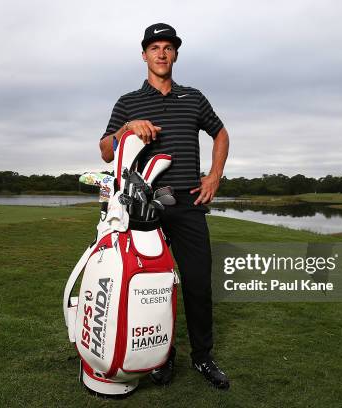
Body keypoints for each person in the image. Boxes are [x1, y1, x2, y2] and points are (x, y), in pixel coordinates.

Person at [99, 23, 230, 390]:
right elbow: (106, 149)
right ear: (144, 55)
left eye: (168, 47)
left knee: (198, 284)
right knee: (150, 285)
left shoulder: (193, 97)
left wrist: (214, 175)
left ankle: (203, 358)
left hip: (188, 202)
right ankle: (161, 355)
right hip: (142, 208)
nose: (161, 53)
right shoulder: (128, 102)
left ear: (175, 54)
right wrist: (126, 127)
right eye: (154, 47)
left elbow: (220, 132)